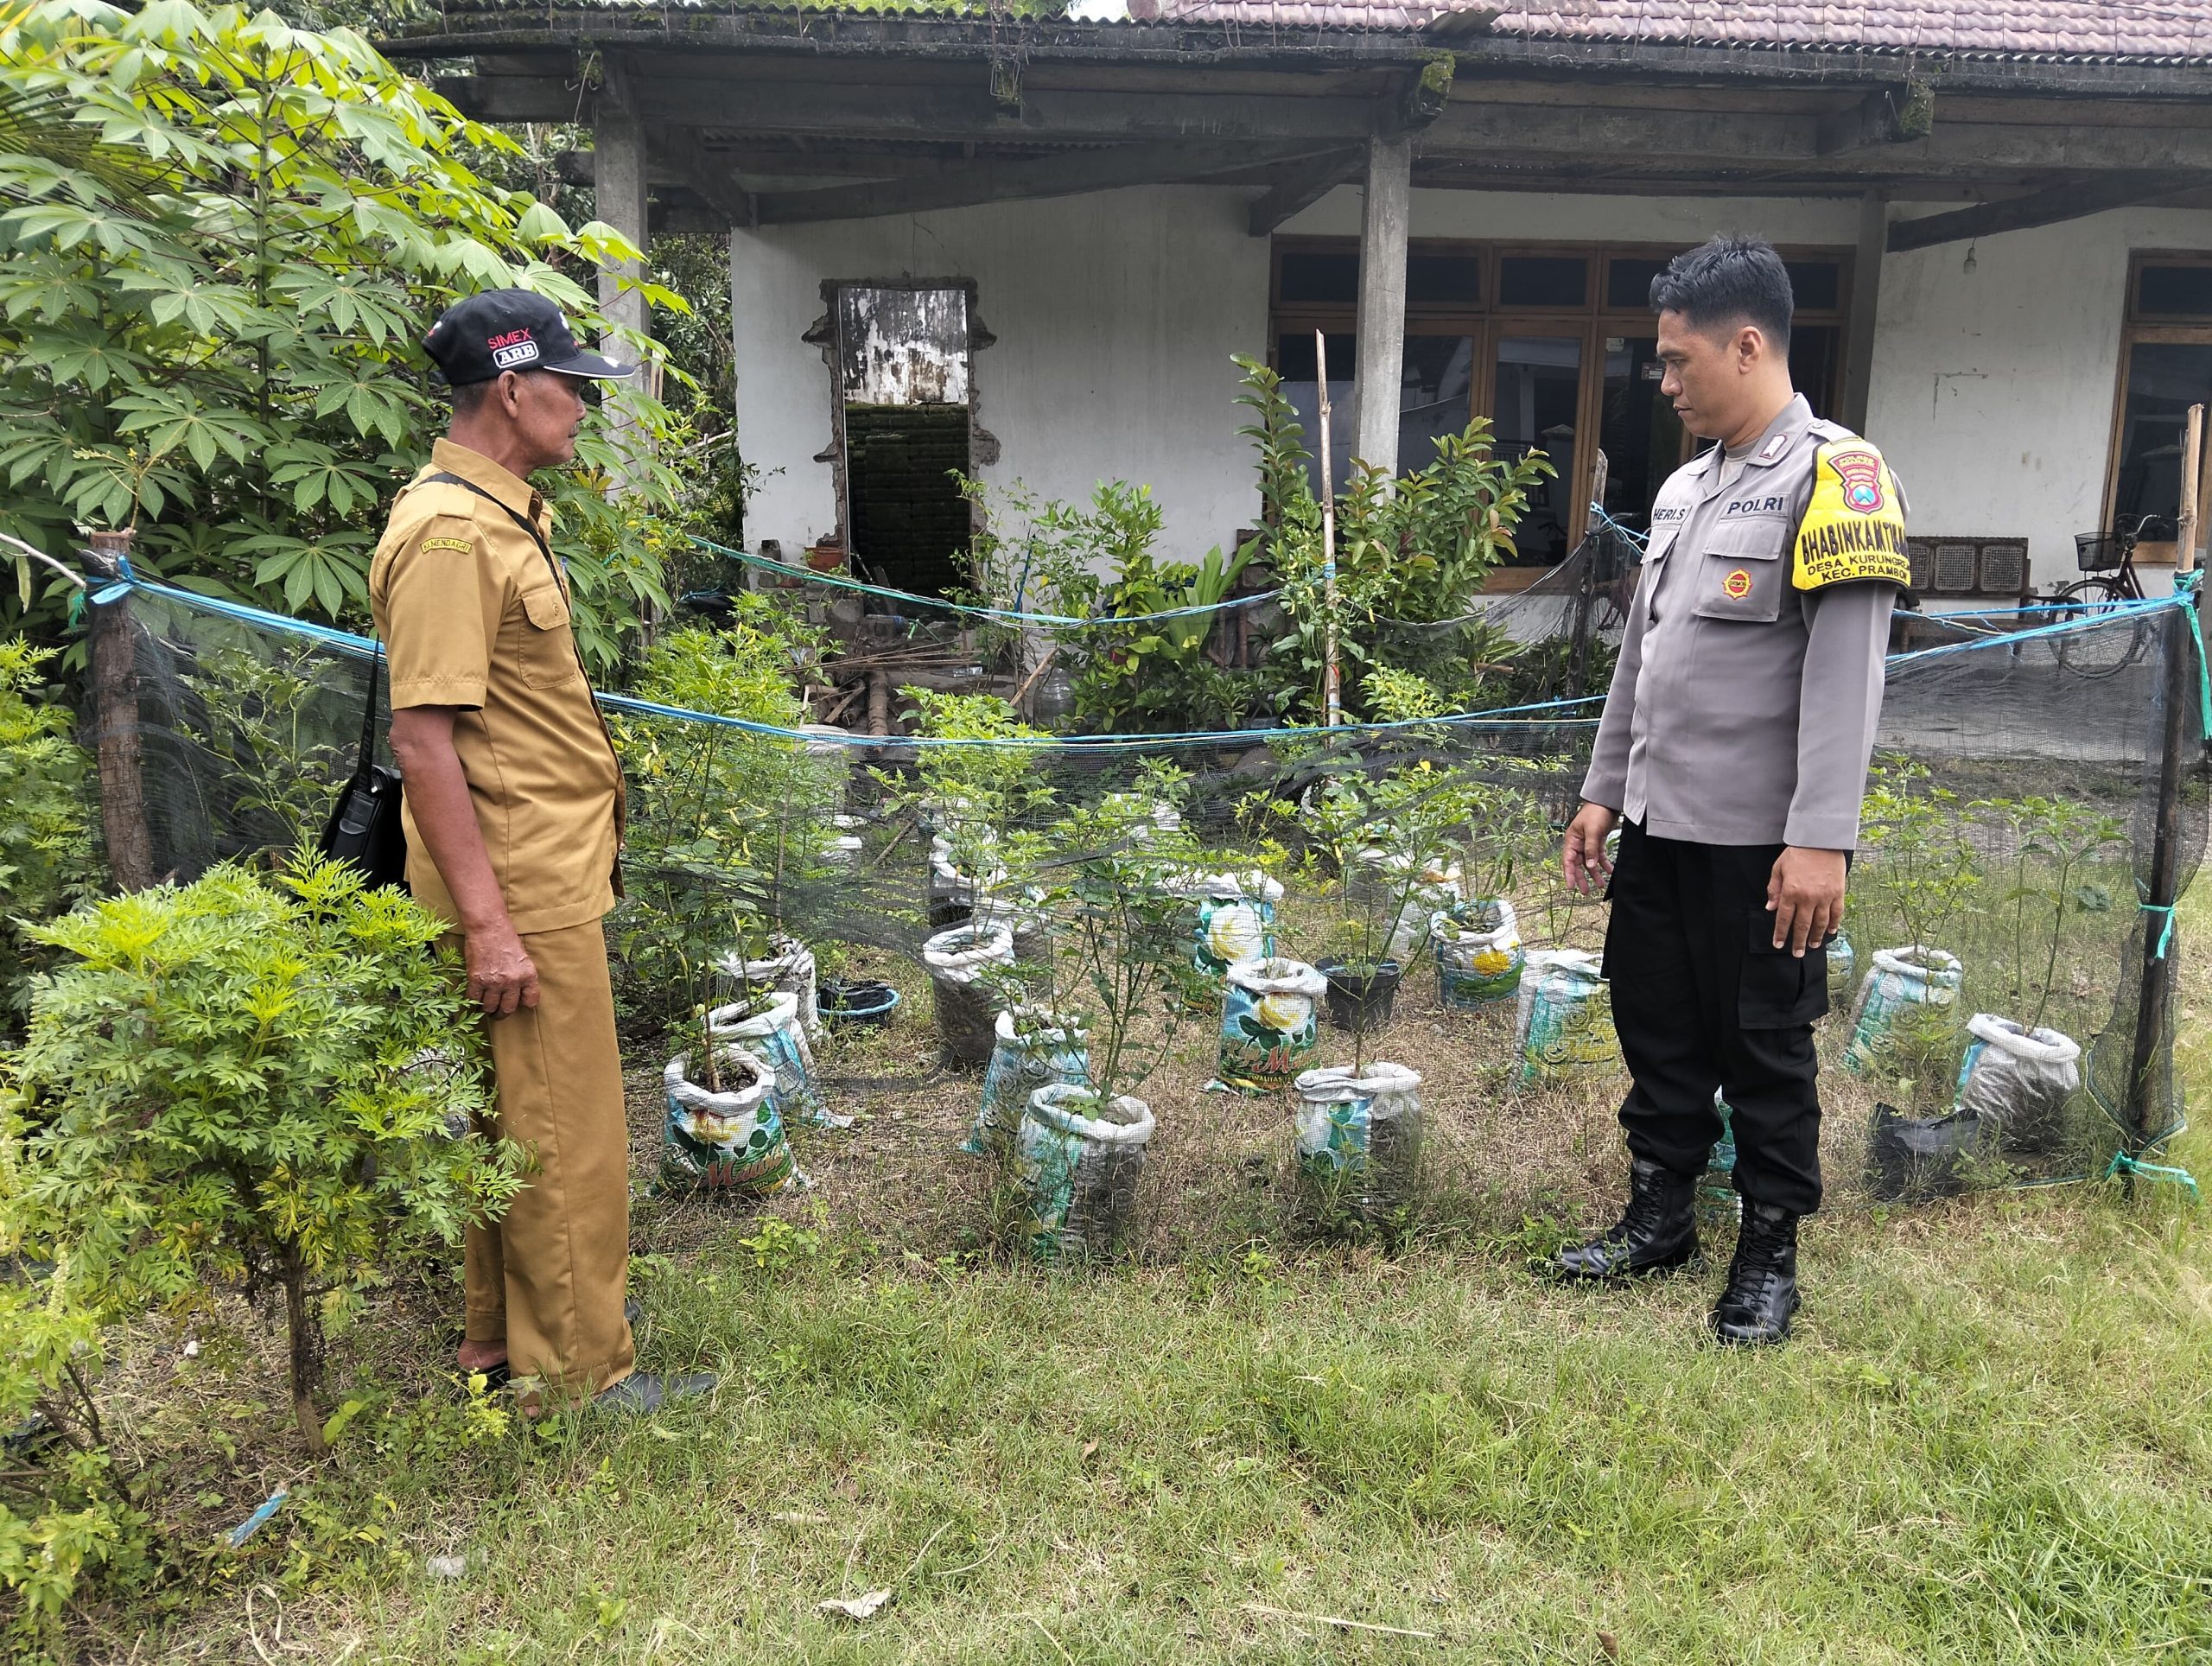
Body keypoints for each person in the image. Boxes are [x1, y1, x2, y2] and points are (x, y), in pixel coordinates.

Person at [1556, 237, 1908, 1345]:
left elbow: (1846, 679)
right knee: (1655, 1021)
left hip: (1763, 845)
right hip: (1660, 824)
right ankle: (1659, 1216)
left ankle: (1767, 1251)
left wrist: (1821, 840)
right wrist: (1603, 788)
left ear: (1746, 345)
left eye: (1677, 359)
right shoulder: (1682, 488)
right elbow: (1642, 657)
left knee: (1763, 1046)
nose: (1663, 381)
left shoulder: (1839, 478)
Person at [370, 289, 713, 1412]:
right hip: (519, 889)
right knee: (568, 1139)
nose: (583, 406)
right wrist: (489, 924)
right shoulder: (454, 534)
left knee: (513, 1123)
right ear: (513, 390)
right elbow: (423, 740)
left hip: (524, 874)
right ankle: (578, 1379)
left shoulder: (491, 512)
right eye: (570, 386)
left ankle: (497, 1343)